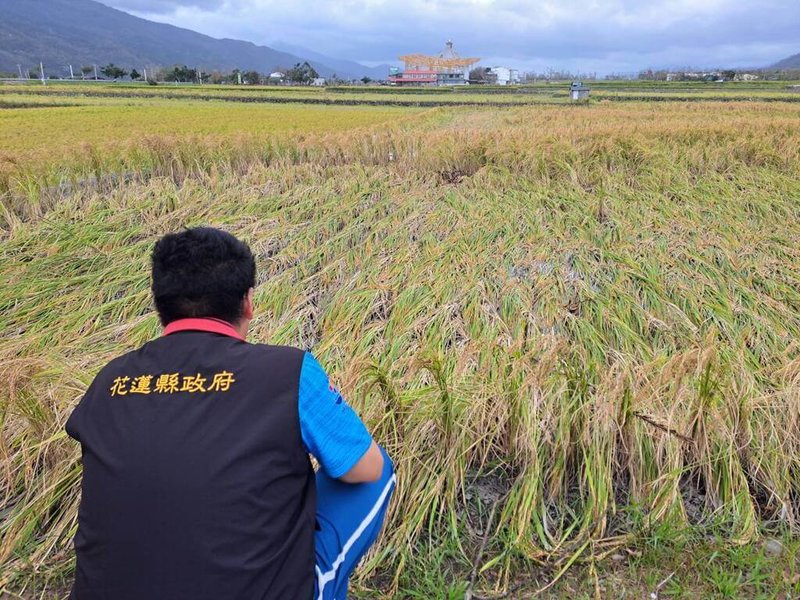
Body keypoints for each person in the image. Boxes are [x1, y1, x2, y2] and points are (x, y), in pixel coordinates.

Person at [66, 227, 395, 600]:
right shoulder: (287, 372)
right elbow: (365, 469)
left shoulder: (110, 379)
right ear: (248, 302)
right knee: (376, 468)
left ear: (160, 306)